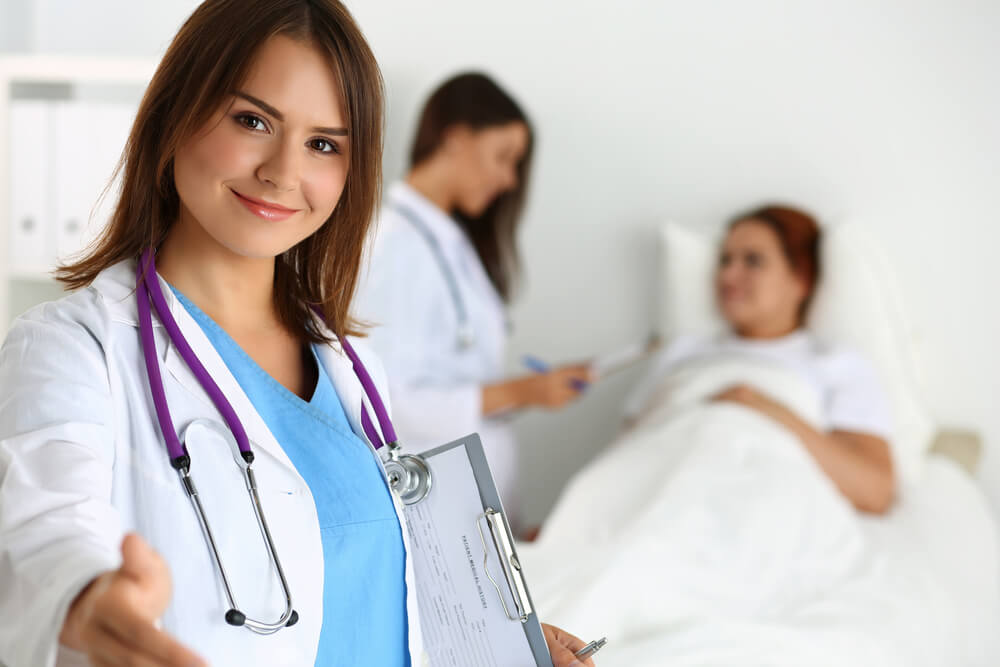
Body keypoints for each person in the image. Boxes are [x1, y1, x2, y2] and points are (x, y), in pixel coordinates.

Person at [0, 2, 593, 665]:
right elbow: (44, 531)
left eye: (324, 144)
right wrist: (89, 599)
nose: (283, 172)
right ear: (174, 117)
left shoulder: (351, 365)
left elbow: (368, 584)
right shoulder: (69, 348)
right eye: (253, 121)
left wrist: (503, 641)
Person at [355, 73, 591, 516]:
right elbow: (384, 401)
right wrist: (522, 392)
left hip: (471, 500)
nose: (509, 180)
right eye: (504, 157)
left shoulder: (447, 240)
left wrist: (530, 390)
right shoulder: (394, 245)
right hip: (432, 503)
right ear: (456, 138)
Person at [624, 205, 896, 513]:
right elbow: (627, 458)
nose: (728, 275)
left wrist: (762, 407)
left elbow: (875, 493)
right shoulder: (681, 353)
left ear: (801, 279)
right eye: (725, 260)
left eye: (752, 261)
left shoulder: (836, 364)